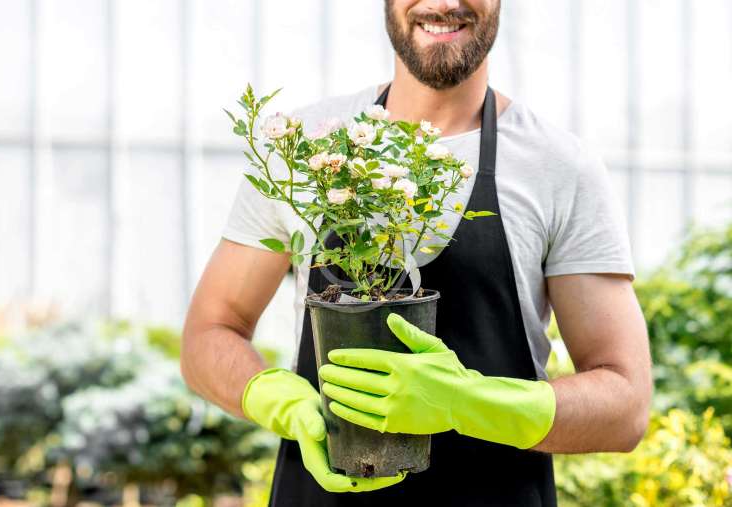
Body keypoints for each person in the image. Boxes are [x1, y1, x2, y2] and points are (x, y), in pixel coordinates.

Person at [181, 0, 653, 505]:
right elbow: (209, 334)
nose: (444, 3)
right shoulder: (304, 151)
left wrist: (469, 403)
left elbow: (625, 405)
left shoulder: (559, 166)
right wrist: (275, 398)